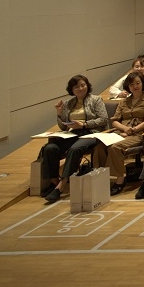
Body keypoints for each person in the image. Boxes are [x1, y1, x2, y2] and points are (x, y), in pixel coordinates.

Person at [39, 74, 109, 203]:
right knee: (50, 148)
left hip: (91, 133)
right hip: (74, 133)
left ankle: (61, 186)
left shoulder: (96, 99)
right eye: (77, 87)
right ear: (72, 90)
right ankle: (54, 182)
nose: (81, 88)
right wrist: (59, 114)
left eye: (83, 85)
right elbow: (63, 127)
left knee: (75, 149)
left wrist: (84, 124)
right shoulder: (68, 103)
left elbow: (104, 119)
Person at [97, 71, 144, 195]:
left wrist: (132, 131)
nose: (135, 86)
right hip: (121, 131)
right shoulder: (123, 101)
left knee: (115, 147)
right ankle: (101, 177)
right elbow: (114, 121)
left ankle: (120, 180)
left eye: (138, 83)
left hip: (139, 133)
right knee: (99, 146)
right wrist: (124, 130)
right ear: (128, 86)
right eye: (131, 84)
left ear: (143, 83)